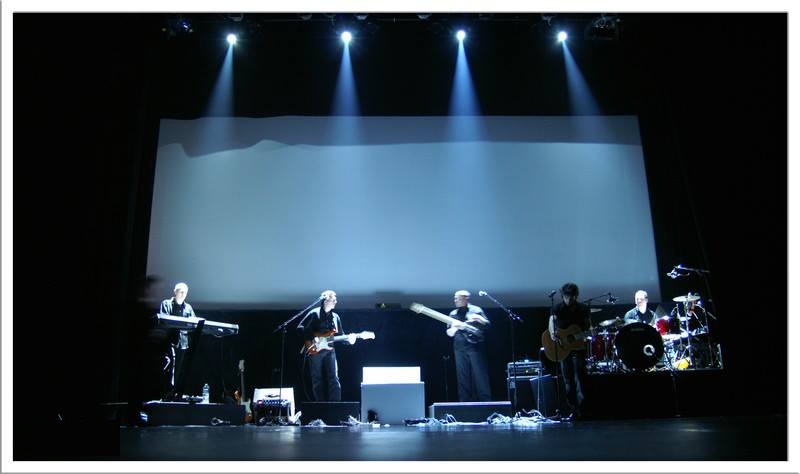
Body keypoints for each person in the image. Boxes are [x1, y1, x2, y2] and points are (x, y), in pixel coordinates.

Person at [301, 290, 355, 402]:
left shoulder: (336, 317)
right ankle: (320, 406)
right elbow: (300, 328)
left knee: (334, 378)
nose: (336, 301)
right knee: (317, 380)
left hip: (330, 350)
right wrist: (314, 337)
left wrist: (349, 340)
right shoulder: (314, 313)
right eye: (333, 299)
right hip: (315, 349)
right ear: (325, 300)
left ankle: (335, 406)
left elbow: (340, 336)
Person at [548, 282, 591, 421]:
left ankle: (582, 410)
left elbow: (588, 327)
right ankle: (571, 409)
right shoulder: (557, 308)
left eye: (571, 297)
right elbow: (551, 322)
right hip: (563, 348)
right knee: (568, 380)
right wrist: (553, 332)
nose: (569, 299)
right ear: (563, 296)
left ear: (576, 296)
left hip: (578, 348)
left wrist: (586, 333)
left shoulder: (583, 308)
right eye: (566, 296)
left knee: (580, 378)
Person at [447, 290, 491, 402]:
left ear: (466, 298)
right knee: (462, 378)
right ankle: (464, 403)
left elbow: (487, 325)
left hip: (475, 347)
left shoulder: (476, 310)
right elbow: (449, 333)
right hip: (459, 348)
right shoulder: (453, 314)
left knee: (480, 376)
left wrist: (480, 319)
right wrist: (456, 327)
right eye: (455, 298)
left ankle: (486, 402)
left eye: (458, 298)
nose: (455, 300)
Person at [159, 282, 195, 397]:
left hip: (183, 344)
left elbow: (193, 324)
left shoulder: (188, 307)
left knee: (181, 370)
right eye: (181, 292)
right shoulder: (166, 304)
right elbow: (164, 321)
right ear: (175, 292)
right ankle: (167, 393)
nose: (183, 294)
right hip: (169, 343)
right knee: (170, 369)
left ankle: (177, 394)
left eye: (185, 293)